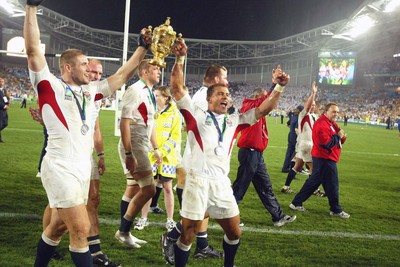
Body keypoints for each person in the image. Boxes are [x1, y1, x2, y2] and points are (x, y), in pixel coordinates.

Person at [24, 1, 151, 266]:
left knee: (58, 226)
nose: (88, 68)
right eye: (83, 64)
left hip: (82, 167)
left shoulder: (91, 92)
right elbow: (33, 50)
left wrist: (142, 48)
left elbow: (121, 75)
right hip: (60, 166)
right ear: (68, 68)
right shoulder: (50, 86)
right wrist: (31, 8)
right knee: (80, 229)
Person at [162, 38, 289, 267]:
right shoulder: (195, 116)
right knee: (188, 234)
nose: (226, 97)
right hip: (197, 182)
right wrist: (180, 58)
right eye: (220, 94)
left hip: (221, 184)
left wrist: (279, 87)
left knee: (235, 232)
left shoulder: (234, 121)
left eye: (227, 95)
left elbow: (264, 109)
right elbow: (177, 88)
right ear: (209, 99)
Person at [161, 64, 229, 265]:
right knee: (201, 209)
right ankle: (172, 236)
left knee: (205, 207)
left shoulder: (203, 96)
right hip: (197, 163)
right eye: (225, 77)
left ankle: (202, 246)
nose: (227, 81)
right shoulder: (203, 99)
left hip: (203, 161)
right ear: (216, 80)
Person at [232, 82, 296, 227]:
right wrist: (276, 85)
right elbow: (267, 100)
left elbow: (268, 100)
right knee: (240, 187)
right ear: (256, 96)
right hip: (249, 153)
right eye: (263, 97)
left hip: (256, 154)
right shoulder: (249, 105)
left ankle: (278, 217)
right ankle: (229, 217)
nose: (266, 101)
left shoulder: (258, 109)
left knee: (265, 187)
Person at [115, 59, 163, 246]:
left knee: (133, 188)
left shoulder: (149, 91)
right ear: (144, 72)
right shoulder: (134, 90)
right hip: (134, 145)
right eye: (154, 69)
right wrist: (129, 153)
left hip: (142, 144)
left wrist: (156, 148)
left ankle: (125, 233)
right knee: (149, 189)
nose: (158, 72)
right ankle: (123, 230)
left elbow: (149, 124)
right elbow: (124, 122)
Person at [289, 102, 350, 219]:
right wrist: (338, 136)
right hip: (325, 159)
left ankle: (296, 203)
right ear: (326, 112)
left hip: (325, 158)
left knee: (313, 182)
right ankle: (335, 209)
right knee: (332, 184)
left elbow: (338, 139)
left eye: (337, 112)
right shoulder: (322, 124)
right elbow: (327, 143)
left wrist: (341, 137)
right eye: (333, 111)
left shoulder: (331, 124)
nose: (336, 114)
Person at [281, 81, 325, 196]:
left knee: (297, 166)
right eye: (311, 105)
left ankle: (286, 187)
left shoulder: (314, 116)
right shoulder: (303, 115)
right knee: (314, 169)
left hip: (304, 145)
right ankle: (314, 190)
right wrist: (313, 94)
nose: (313, 106)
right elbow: (308, 106)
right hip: (307, 145)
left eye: (314, 105)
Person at [151, 85, 182, 231]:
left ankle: (170, 220)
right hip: (150, 155)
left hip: (167, 157)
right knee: (149, 186)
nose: (155, 98)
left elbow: (175, 136)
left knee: (168, 187)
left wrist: (161, 152)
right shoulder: (150, 110)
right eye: (154, 95)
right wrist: (152, 151)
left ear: (166, 98)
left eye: (158, 95)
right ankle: (143, 217)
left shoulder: (174, 113)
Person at [281, 105, 302, 173]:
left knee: (289, 152)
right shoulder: (299, 118)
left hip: (290, 135)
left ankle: (285, 167)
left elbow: (287, 124)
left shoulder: (293, 117)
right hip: (295, 136)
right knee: (295, 153)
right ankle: (292, 168)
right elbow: (297, 129)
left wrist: (291, 129)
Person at [0, 77, 9, 143]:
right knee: (0, 124)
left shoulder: (4, 90)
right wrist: (4, 106)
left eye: (2, 81)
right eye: (0, 81)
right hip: (1, 109)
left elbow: (5, 98)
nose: (2, 83)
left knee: (5, 123)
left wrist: (8, 102)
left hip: (4, 110)